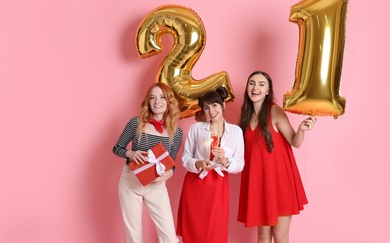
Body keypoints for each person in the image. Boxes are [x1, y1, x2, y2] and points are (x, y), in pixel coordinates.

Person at [237, 71, 317, 243]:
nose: (255, 87)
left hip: (280, 183)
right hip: (259, 185)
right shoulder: (245, 115)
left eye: (261, 84)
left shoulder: (275, 112)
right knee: (262, 237)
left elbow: (294, 142)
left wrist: (302, 129)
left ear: (268, 91)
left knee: (280, 237)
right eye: (252, 83)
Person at [112, 82, 183, 243]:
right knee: (134, 236)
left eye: (161, 97)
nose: (157, 101)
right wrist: (131, 153)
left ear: (168, 101)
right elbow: (117, 148)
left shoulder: (176, 131)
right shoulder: (135, 123)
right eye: (152, 98)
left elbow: (171, 162)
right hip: (130, 183)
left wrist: (169, 172)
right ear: (148, 102)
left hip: (156, 186)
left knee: (169, 238)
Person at [176, 86, 245, 243]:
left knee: (217, 232)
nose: (211, 111)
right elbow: (185, 158)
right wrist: (199, 163)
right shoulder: (196, 129)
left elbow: (240, 164)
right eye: (206, 107)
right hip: (195, 184)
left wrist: (226, 161)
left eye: (214, 105)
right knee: (194, 231)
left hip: (219, 186)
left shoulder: (235, 132)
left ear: (223, 105)